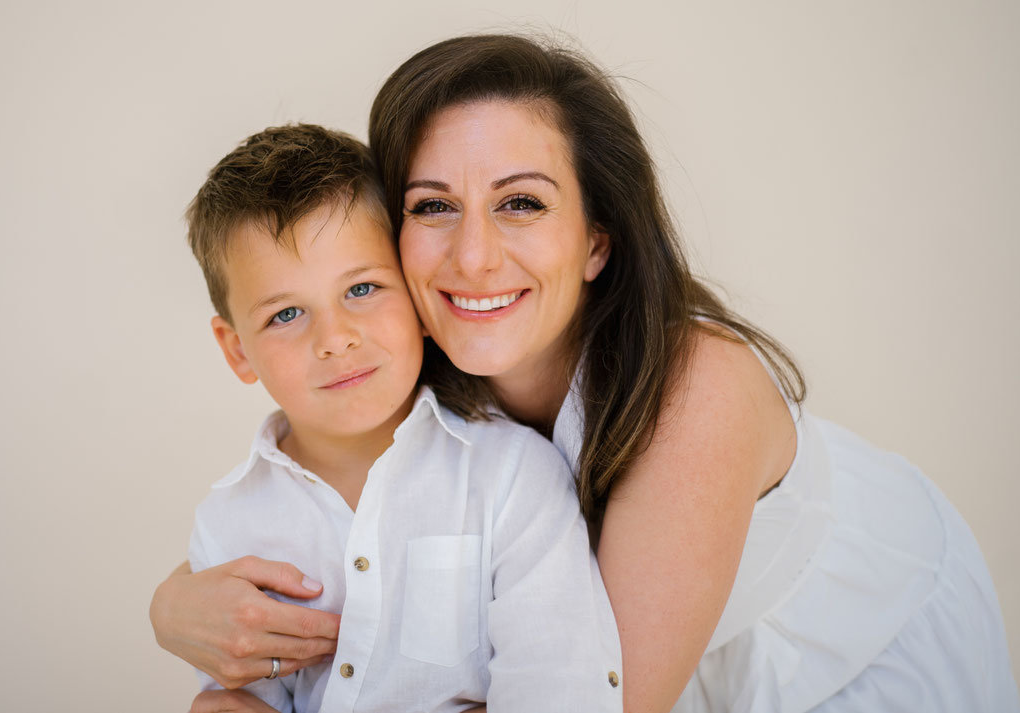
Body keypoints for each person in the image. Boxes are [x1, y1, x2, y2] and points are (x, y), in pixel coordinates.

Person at [153, 36, 1020, 713]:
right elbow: (336, 526)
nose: (475, 254)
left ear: (597, 238)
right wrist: (173, 607)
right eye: (432, 207)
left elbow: (589, 699)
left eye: (521, 202)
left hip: (847, 659)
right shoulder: (407, 359)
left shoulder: (698, 390)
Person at [176, 123, 622, 713]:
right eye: (286, 314)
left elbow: (558, 690)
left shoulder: (515, 478)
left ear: (416, 297)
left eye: (362, 289)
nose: (335, 339)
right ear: (237, 350)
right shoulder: (228, 525)